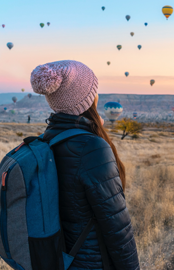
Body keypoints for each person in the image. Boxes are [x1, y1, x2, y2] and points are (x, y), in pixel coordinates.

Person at [30, 60, 140, 270]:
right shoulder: (92, 148)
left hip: (59, 259)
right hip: (91, 263)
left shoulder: (47, 139)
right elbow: (117, 226)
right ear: (88, 98)